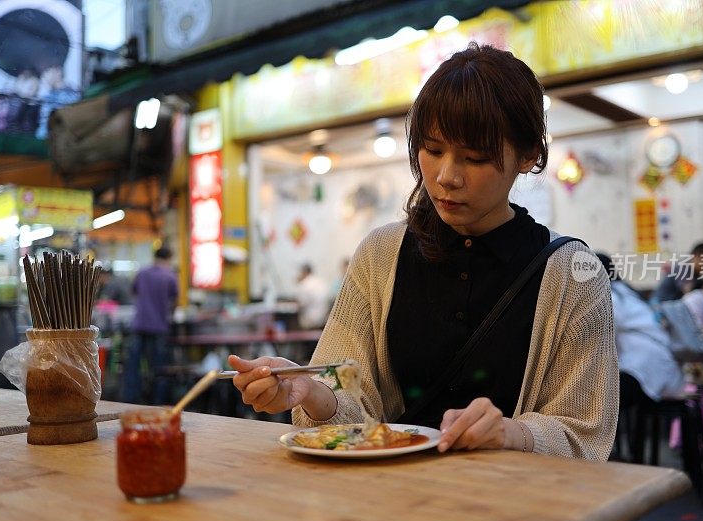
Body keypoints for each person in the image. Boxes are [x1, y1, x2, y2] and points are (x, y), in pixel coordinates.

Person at [228, 43, 618, 461]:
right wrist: (308, 390)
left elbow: (585, 434)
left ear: (528, 156)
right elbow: (346, 394)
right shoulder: (380, 255)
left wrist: (513, 433)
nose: (447, 177)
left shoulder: (575, 276)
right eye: (432, 150)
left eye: (475, 157)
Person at [597, 254, 683, 408]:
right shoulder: (625, 291)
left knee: (598, 399)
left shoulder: (611, 294)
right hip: (658, 362)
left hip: (643, 366)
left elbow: (603, 332)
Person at [124, 246, 179, 404]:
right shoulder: (170, 276)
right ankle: (157, 403)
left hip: (139, 325)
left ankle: (130, 401)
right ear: (169, 258)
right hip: (159, 327)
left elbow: (134, 292)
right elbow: (174, 301)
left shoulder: (142, 273)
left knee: (133, 367)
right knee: (158, 369)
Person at [294, 263, 330, 330]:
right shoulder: (321, 282)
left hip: (310, 320)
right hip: (323, 319)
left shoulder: (305, 283)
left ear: (304, 272)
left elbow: (301, 304)